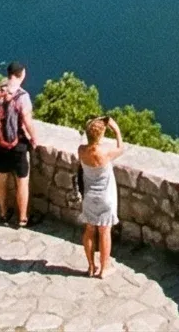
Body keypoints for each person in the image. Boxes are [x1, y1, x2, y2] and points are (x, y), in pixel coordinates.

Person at [0, 62, 36, 227]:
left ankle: (3, 212)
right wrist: (34, 138)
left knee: (2, 177)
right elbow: (27, 120)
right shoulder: (22, 96)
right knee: (22, 181)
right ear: (22, 74)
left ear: (9, 74)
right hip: (18, 143)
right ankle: (22, 218)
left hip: (0, 143)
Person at [77, 115, 125, 278]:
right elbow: (121, 147)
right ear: (101, 136)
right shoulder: (105, 153)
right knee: (105, 232)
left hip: (89, 197)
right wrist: (116, 129)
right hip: (106, 197)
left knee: (89, 229)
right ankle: (105, 269)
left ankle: (91, 266)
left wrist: (94, 122)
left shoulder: (81, 150)